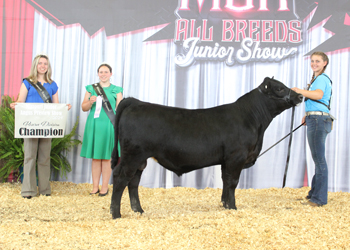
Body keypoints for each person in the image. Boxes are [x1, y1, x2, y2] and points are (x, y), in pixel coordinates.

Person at [10, 54, 72, 199]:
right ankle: (28, 191)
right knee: (29, 157)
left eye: (45, 64)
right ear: (35, 65)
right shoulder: (27, 82)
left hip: (47, 125)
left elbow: (56, 105)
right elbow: (21, 100)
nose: (43, 66)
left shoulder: (52, 84)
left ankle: (45, 190)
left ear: (48, 67)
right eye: (40, 63)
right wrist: (16, 105)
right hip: (30, 124)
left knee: (44, 158)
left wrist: (64, 107)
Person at [292, 51, 332, 207]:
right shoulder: (317, 78)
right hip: (316, 118)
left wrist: (300, 91)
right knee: (318, 159)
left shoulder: (321, 79)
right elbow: (319, 99)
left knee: (319, 160)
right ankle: (314, 195)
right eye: (312, 61)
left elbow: (318, 95)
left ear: (324, 63)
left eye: (317, 61)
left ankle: (319, 199)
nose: (314, 63)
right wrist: (307, 114)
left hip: (318, 120)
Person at [80, 63, 123, 196]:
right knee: (95, 158)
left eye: (106, 72)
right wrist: (90, 102)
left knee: (106, 157)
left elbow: (120, 109)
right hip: (94, 124)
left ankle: (104, 187)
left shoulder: (117, 89)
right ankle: (95, 187)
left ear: (111, 74)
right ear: (97, 74)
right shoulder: (91, 88)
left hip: (109, 125)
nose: (103, 74)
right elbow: (84, 108)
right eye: (101, 72)